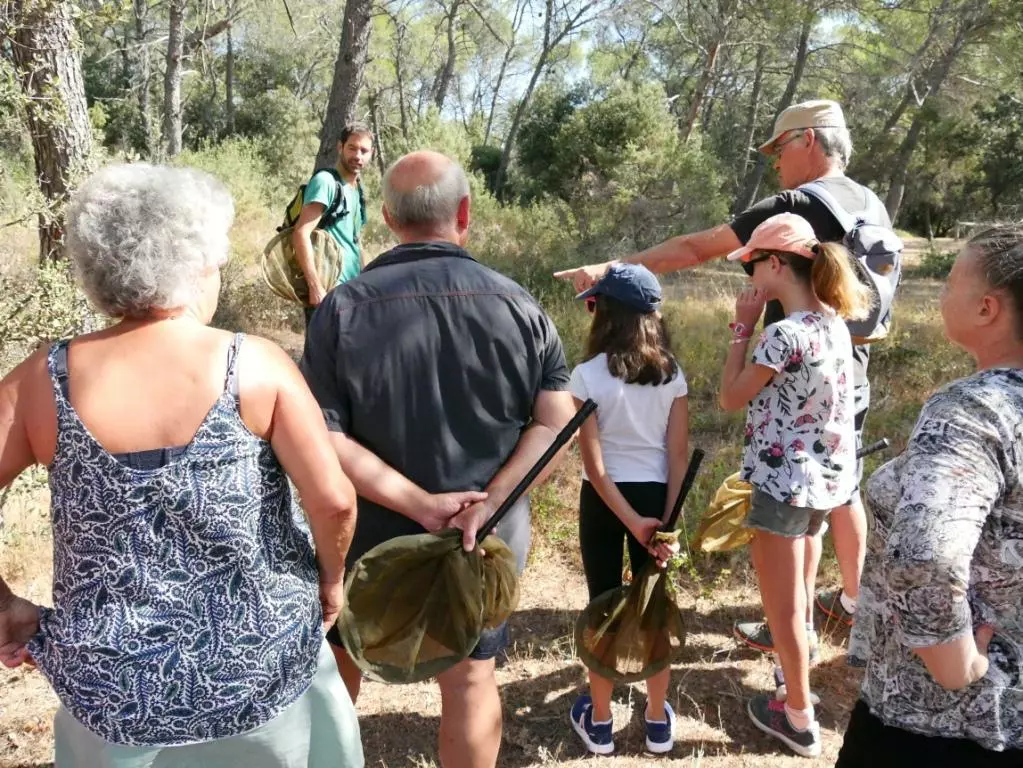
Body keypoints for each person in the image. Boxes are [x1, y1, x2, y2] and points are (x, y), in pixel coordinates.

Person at [0, 164, 363, 766]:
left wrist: (5, 605)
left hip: (114, 696)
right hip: (263, 675)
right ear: (195, 267)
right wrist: (330, 579)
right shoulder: (257, 365)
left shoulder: (43, 381)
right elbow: (335, 501)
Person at [554, 100, 890, 649]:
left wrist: (613, 269)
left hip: (788, 379)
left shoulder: (798, 205)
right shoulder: (868, 201)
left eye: (778, 149)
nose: (775, 163)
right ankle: (853, 604)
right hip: (848, 369)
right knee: (839, 488)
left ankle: (792, 630)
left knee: (785, 516)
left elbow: (695, 248)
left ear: (808, 140)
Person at [300, 150, 576, 768]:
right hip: (483, 538)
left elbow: (323, 437)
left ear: (389, 220)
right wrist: (492, 502)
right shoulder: (521, 307)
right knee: (472, 676)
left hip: (370, 536)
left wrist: (417, 506)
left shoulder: (342, 311)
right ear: (465, 214)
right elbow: (555, 421)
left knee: (344, 662)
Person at [837, 225, 1023, 767]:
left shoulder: (974, 411)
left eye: (949, 282)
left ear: (987, 308)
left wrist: (955, 663)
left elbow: (926, 554)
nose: (939, 293)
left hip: (939, 726)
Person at [718, 213, 870, 758]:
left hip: (783, 483)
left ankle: (799, 718)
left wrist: (742, 327)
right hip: (824, 484)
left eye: (754, 264)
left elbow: (730, 397)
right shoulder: (832, 322)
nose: (749, 276)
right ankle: (791, 685)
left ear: (776, 265)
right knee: (801, 592)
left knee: (781, 608)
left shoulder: (782, 335)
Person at [565, 264, 689, 756]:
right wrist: (668, 520)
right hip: (657, 499)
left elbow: (595, 470)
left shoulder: (587, 376)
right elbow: (678, 455)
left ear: (605, 313)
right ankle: (657, 720)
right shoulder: (672, 374)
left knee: (603, 605)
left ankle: (599, 721)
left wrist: (627, 519)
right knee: (654, 607)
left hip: (605, 503)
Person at [291, 122, 374, 326]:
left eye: (364, 151)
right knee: (322, 356)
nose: (358, 156)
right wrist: (315, 286)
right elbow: (301, 233)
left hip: (351, 291)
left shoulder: (358, 190)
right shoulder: (325, 182)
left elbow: (355, 241)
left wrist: (368, 281)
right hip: (327, 291)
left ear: (371, 153)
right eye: (352, 148)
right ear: (340, 147)